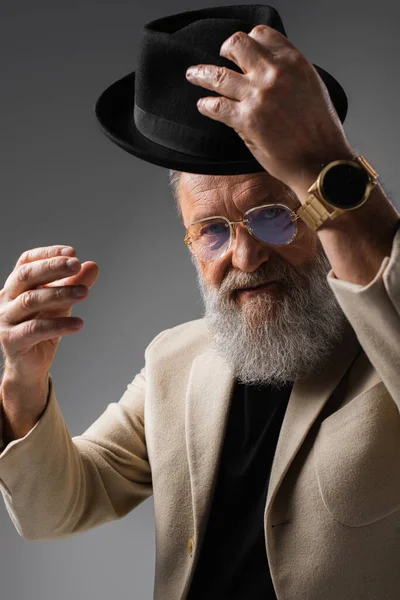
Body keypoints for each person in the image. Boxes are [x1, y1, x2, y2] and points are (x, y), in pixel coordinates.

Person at [1, 5, 400, 600]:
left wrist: (323, 160)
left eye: (271, 218)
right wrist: (21, 384)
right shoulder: (175, 360)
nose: (243, 258)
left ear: (318, 213)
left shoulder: (385, 345)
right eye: (211, 230)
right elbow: (57, 508)